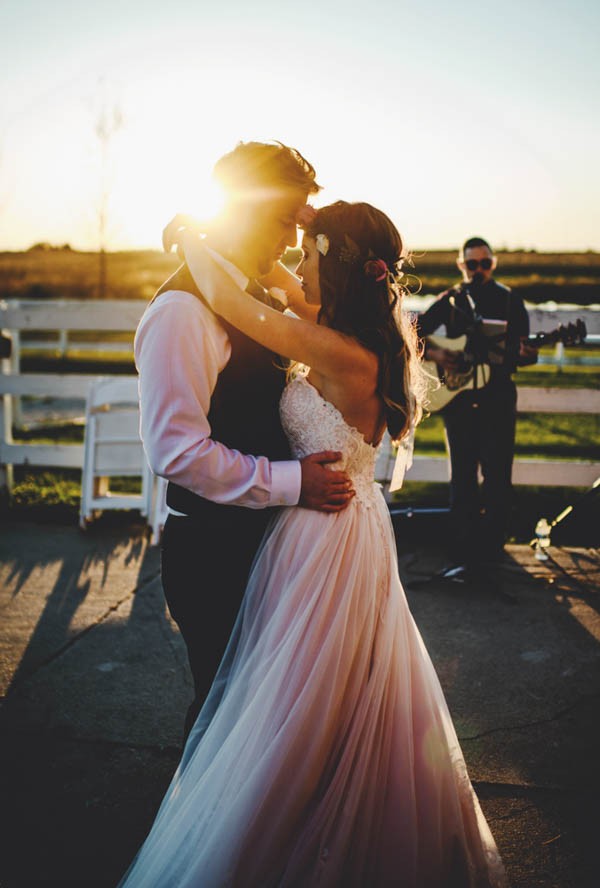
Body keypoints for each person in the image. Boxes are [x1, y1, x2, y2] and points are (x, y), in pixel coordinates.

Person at [120, 203, 508, 886]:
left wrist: (188, 234)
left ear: (340, 270)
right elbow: (274, 278)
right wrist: (295, 217)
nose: (297, 269)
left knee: (298, 702)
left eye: (309, 257)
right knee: (333, 694)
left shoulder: (336, 350)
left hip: (321, 534)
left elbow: (228, 299)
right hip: (349, 525)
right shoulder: (366, 335)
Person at [135, 141, 354, 741]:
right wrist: (294, 481)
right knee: (224, 718)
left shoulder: (258, 295)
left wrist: (310, 221)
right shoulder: (182, 312)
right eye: (282, 219)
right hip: (215, 554)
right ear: (239, 210)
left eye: (295, 222)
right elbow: (176, 451)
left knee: (273, 723)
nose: (290, 238)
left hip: (271, 542)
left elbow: (321, 307)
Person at [417, 237, 537, 571]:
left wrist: (530, 354)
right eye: (473, 265)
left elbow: (524, 352)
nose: (480, 270)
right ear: (462, 266)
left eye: (486, 264)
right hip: (459, 400)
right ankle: (463, 551)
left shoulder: (512, 301)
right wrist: (438, 353)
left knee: (498, 477)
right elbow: (414, 334)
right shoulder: (451, 300)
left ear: (493, 264)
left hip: (498, 398)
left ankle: (492, 554)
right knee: (463, 477)